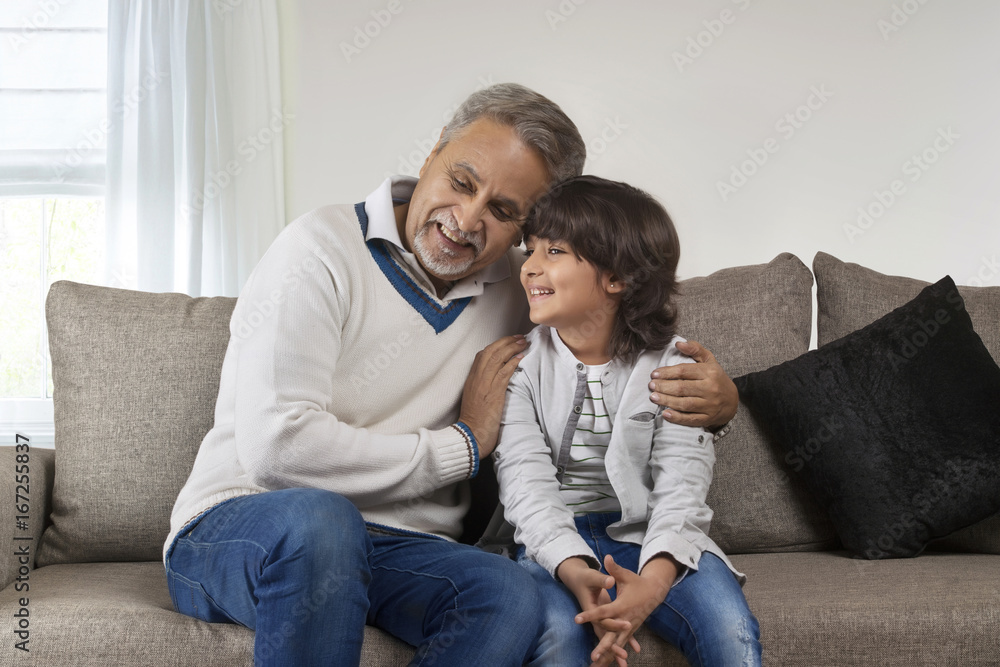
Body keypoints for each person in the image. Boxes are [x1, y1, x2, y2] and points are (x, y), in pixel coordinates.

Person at [163, 83, 740, 665]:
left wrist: (716, 403)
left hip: (400, 549)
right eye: (462, 183)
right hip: (244, 528)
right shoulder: (318, 249)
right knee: (322, 520)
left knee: (508, 594)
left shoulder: (526, 292)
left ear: (527, 228)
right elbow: (277, 446)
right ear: (432, 152)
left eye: (503, 210)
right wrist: (462, 447)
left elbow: (612, 337)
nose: (466, 220)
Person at [494, 175, 761, 667]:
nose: (529, 267)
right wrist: (573, 569)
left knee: (731, 629)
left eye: (553, 252)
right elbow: (524, 485)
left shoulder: (675, 368)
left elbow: (682, 485)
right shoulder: (518, 369)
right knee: (557, 636)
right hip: (554, 543)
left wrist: (654, 584)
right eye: (530, 250)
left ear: (616, 279)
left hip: (650, 536)